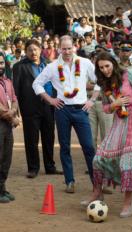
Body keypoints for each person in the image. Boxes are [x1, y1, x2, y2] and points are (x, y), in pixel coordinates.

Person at [81, 52, 132, 218]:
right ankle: (97, 192)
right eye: (101, 67)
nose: (105, 70)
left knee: (128, 163)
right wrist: (115, 104)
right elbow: (105, 108)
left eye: (107, 65)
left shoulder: (128, 75)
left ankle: (128, 202)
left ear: (113, 63)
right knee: (98, 159)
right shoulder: (104, 84)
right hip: (118, 123)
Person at [32, 35, 96, 193]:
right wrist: (50, 100)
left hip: (81, 109)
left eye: (69, 48)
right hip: (62, 110)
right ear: (59, 48)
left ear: (74, 47)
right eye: (64, 48)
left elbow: (99, 80)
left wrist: (92, 100)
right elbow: (37, 84)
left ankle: (97, 182)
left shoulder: (85, 63)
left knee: (88, 147)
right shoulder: (52, 66)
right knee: (65, 147)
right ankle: (69, 181)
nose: (67, 51)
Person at [13, 39, 61, 178]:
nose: (33, 52)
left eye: (35, 49)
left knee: (49, 137)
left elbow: (55, 85)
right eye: (30, 50)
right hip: (29, 108)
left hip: (48, 107)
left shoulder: (48, 64)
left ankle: (50, 167)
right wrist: (16, 111)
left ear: (40, 50)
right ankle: (33, 168)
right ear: (26, 51)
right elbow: (16, 89)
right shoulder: (19, 67)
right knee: (31, 139)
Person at [0, 52, 19, 203]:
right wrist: (12, 117)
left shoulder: (8, 81)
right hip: (2, 122)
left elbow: (14, 99)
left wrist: (12, 112)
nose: (0, 66)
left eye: (1, 63)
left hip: (7, 125)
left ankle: (2, 188)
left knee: (7, 157)